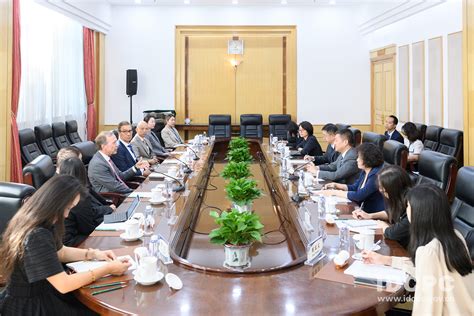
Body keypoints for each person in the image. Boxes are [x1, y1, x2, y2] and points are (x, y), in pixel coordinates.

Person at [0, 175, 131, 315]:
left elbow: (60, 252)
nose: (67, 215)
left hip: (46, 291)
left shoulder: (38, 220)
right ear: (55, 203)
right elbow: (64, 284)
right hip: (32, 306)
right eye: (68, 208)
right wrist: (108, 269)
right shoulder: (37, 235)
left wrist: (93, 254)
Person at [362, 185, 473, 315]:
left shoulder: (428, 251)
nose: (406, 210)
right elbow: (427, 271)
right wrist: (386, 260)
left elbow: (427, 308)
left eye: (408, 206)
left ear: (419, 213)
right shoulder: (455, 235)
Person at [59, 157, 115, 246]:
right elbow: (88, 229)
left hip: (59, 243)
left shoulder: (59, 190)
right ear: (83, 172)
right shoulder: (78, 197)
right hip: (72, 243)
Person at [352, 165, 412, 248]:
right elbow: (392, 212)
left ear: (393, 189)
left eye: (383, 190)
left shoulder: (412, 204)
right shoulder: (401, 196)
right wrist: (370, 216)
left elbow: (392, 234)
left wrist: (383, 225)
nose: (381, 191)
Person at [320, 143, 385, 213]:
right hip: (361, 211)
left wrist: (335, 192)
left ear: (368, 159)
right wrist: (336, 185)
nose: (357, 160)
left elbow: (359, 196)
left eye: (359, 157)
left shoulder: (375, 175)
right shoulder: (365, 170)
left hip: (372, 215)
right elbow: (355, 187)